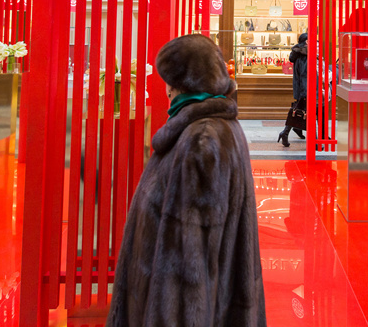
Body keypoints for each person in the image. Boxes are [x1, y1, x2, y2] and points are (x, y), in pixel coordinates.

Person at [107, 34, 266, 327]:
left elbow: (188, 269)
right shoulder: (218, 128)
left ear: (180, 85)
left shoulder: (200, 141)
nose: (166, 89)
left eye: (169, 81)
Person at [278, 32, 308, 147]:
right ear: (306, 42)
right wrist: (305, 93)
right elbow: (304, 76)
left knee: (298, 111)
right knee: (300, 112)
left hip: (301, 89)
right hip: (304, 90)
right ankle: (285, 133)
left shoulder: (299, 54)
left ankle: (291, 131)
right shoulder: (304, 56)